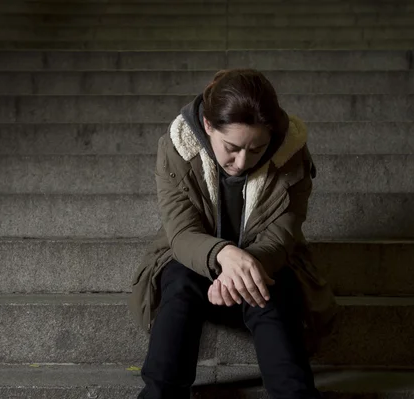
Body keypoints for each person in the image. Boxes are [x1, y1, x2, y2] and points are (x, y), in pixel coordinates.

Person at [128, 69, 340, 399]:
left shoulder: (292, 154)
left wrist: (240, 269)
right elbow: (181, 233)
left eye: (256, 150)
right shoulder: (176, 149)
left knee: (269, 287)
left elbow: (282, 236)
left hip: (265, 260)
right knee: (180, 280)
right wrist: (224, 255)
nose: (241, 162)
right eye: (232, 147)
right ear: (209, 126)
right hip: (192, 258)